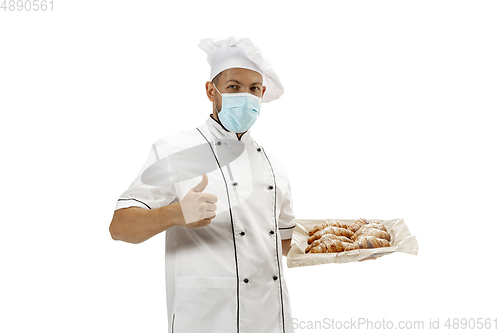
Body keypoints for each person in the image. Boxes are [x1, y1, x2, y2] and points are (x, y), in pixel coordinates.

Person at [109, 37, 296, 333]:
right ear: (211, 91)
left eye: (253, 89)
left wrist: (345, 251)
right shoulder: (175, 149)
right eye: (234, 86)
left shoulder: (273, 164)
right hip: (206, 319)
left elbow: (284, 242)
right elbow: (119, 227)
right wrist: (174, 214)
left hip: (271, 320)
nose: (245, 96)